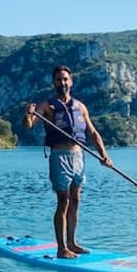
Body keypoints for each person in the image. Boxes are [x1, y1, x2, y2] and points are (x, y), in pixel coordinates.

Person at [23, 65, 113, 259]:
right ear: (54, 83)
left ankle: (72, 242)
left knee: (76, 200)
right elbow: (28, 125)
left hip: (79, 157)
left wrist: (104, 155)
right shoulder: (46, 105)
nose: (62, 83)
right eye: (58, 80)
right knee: (63, 201)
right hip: (59, 157)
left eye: (65, 79)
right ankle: (61, 247)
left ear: (71, 82)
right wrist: (28, 114)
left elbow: (93, 133)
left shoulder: (80, 107)